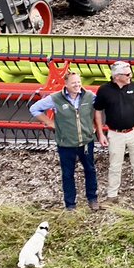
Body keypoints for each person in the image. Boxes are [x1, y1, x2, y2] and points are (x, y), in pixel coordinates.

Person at [29, 70, 102, 212]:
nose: (77, 85)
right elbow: (34, 109)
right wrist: (50, 123)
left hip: (86, 141)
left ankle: (92, 199)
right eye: (73, 83)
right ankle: (70, 204)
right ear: (66, 84)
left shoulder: (89, 96)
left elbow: (99, 108)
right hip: (66, 143)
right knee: (68, 174)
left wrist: (93, 124)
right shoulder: (56, 98)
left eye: (79, 82)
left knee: (90, 170)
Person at [94, 61, 134, 204]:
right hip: (115, 134)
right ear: (117, 76)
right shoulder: (104, 90)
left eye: (130, 73)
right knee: (115, 165)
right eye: (127, 74)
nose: (130, 76)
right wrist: (100, 133)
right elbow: (98, 111)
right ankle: (112, 196)